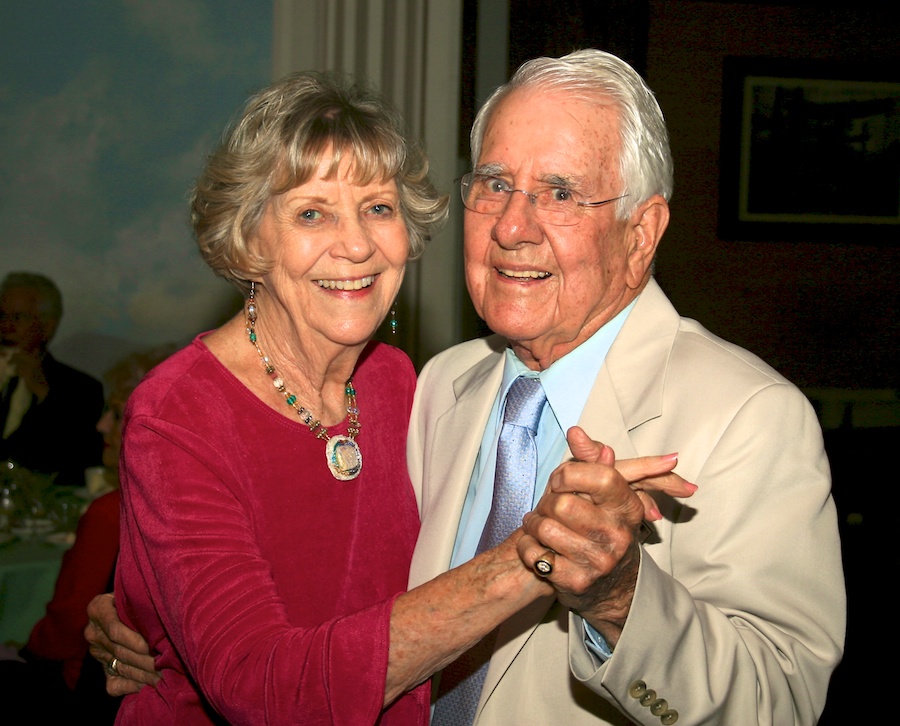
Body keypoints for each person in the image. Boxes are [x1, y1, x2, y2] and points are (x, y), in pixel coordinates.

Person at [83, 70, 694, 725]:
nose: (356, 245)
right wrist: (540, 555)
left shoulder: (400, 384)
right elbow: (259, 687)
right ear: (248, 238)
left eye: (378, 208)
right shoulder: (178, 415)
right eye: (312, 212)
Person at [404, 49, 845, 724]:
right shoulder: (442, 386)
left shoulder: (749, 417)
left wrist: (621, 601)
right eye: (494, 183)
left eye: (559, 194)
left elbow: (777, 704)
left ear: (641, 234)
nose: (511, 227)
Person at [0, 345, 173, 722]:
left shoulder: (113, 511)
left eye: (114, 412)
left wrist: (22, 648)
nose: (101, 426)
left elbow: (64, 630)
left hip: (85, 696)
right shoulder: (189, 503)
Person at [0, 271, 104, 486]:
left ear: (47, 326)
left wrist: (45, 395)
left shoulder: (81, 389)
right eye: (1, 316)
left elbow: (78, 462)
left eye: (17, 318)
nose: (6, 327)